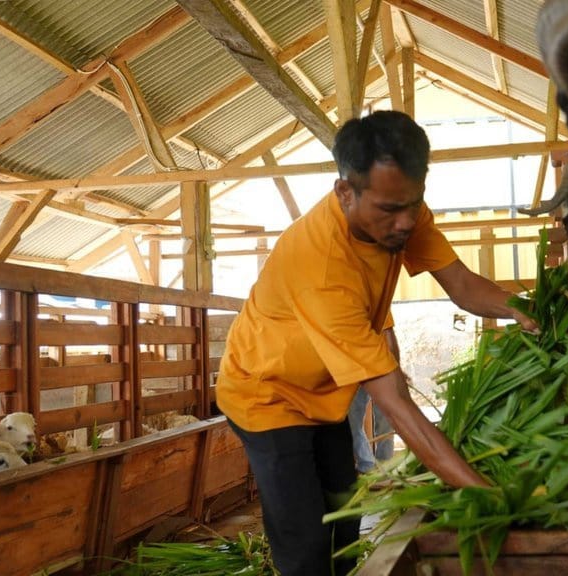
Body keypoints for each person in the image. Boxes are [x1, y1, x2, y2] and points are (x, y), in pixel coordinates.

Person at [215, 110, 538, 576]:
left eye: (414, 203)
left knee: (344, 521)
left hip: (324, 391)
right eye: (389, 209)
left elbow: (464, 286)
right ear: (345, 191)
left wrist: (525, 309)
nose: (406, 222)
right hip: (267, 395)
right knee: (305, 543)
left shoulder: (402, 210)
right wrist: (483, 494)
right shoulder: (322, 266)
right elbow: (396, 403)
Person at [347, 329, 397, 474]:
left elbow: (389, 335)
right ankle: (367, 466)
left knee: (386, 422)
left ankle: (385, 466)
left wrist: (396, 369)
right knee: (353, 423)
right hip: (354, 372)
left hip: (381, 370)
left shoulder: (382, 312)